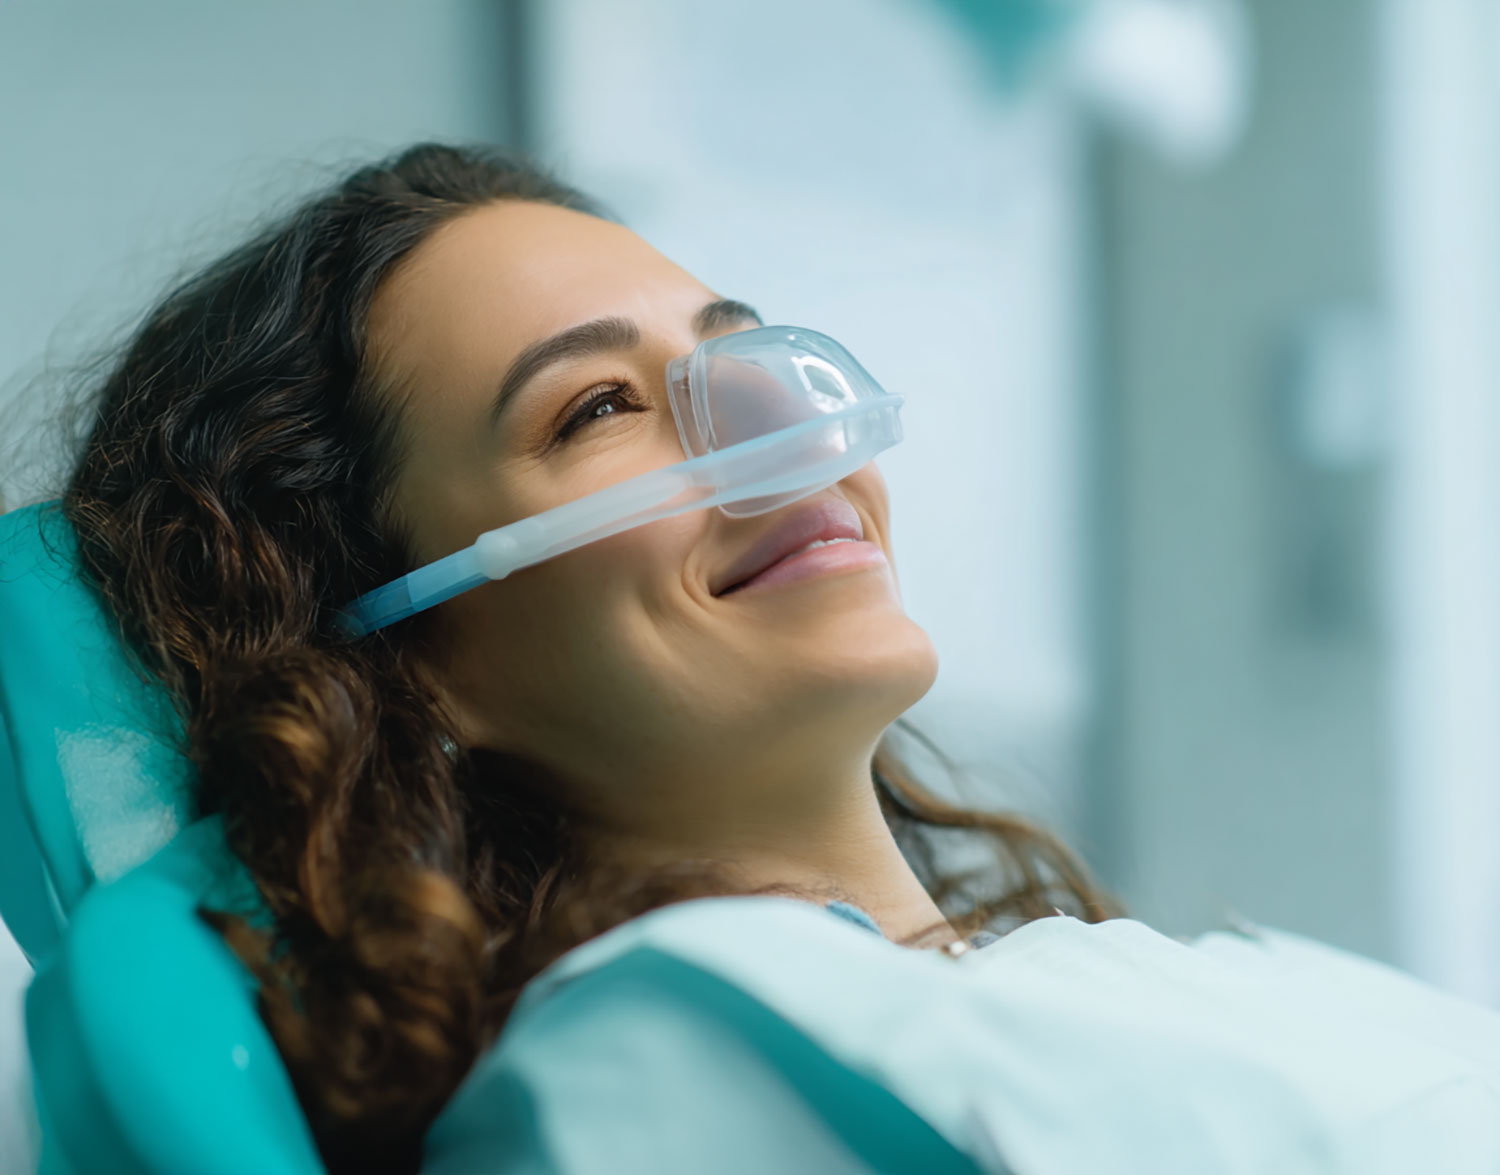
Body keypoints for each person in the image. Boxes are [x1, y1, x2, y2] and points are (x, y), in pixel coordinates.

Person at [60, 142, 1115, 1172]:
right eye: (599, 407)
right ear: (409, 658)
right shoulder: (652, 1083)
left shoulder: (1064, 986)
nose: (781, 418)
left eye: (738, 349)